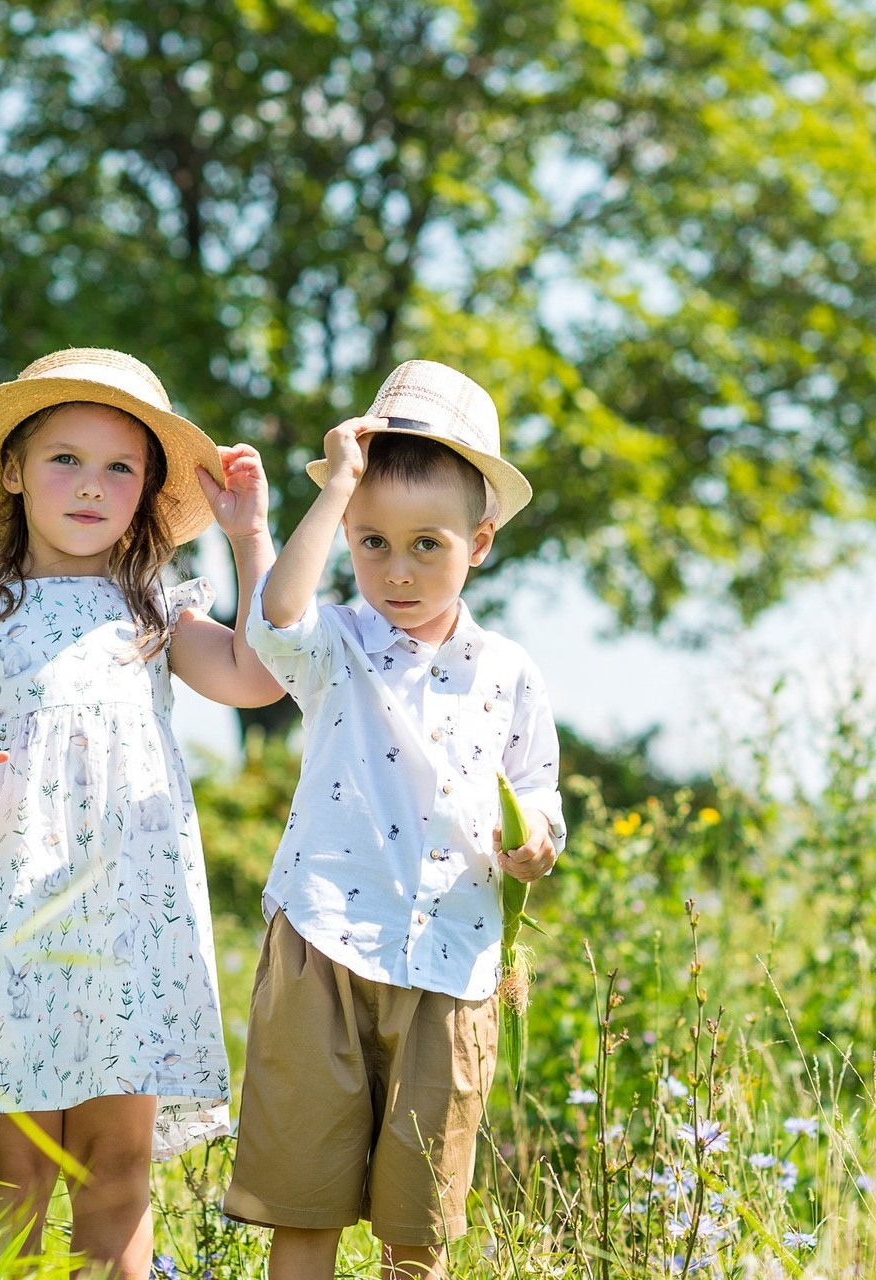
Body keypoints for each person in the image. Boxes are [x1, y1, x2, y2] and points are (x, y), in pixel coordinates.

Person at [0, 347, 283, 1279]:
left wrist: (250, 537)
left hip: (129, 925)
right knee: (14, 1168)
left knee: (116, 1167)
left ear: (146, 494)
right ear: (15, 472)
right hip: (9, 918)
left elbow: (261, 674)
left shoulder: (154, 613)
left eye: (120, 468)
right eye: (64, 458)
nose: (90, 486)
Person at [222, 359, 567, 1280]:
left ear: (479, 544)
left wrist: (534, 843)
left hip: (450, 961)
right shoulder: (335, 643)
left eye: (428, 545)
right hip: (325, 943)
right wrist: (338, 481)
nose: (397, 570)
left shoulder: (510, 674)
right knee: (304, 1206)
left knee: (418, 1229)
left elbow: (539, 794)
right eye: (371, 542)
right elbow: (273, 616)